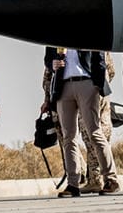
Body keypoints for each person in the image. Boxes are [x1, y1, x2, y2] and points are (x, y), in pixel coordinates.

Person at [43, 46, 118, 197]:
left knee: (94, 132)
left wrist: (98, 83)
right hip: (63, 85)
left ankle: (111, 179)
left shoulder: (86, 28)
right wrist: (53, 64)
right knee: (68, 137)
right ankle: (73, 184)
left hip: (87, 83)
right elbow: (48, 59)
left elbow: (99, 56)